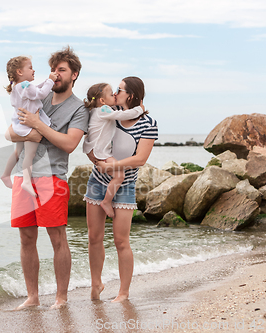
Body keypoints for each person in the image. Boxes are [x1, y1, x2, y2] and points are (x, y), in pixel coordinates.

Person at [5, 46, 89, 310]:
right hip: (24, 175)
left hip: (52, 177)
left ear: (74, 75)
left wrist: (37, 126)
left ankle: (61, 298)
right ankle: (32, 297)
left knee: (57, 238)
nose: (55, 74)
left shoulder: (79, 109)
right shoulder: (35, 97)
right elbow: (9, 132)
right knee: (26, 238)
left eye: (61, 70)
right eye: (53, 69)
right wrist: (31, 134)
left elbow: (69, 144)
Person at [84, 76, 157, 302]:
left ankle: (123, 293)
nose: (115, 92)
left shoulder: (148, 123)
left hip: (125, 185)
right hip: (97, 181)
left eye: (120, 89)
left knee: (121, 240)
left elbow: (140, 159)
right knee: (94, 237)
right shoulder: (108, 115)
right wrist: (99, 163)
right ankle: (96, 284)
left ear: (131, 95)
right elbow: (92, 143)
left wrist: (113, 166)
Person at [82, 83, 144, 219]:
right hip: (100, 152)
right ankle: (106, 201)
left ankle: (106, 199)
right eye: (111, 94)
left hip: (93, 149)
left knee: (116, 175)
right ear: (102, 101)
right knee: (120, 176)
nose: (114, 95)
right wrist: (139, 109)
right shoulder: (104, 110)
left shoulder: (94, 110)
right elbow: (122, 115)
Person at [1, 56, 58, 197]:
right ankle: (26, 181)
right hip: (28, 126)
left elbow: (37, 88)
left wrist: (47, 80)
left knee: (17, 153)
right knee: (29, 154)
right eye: (30, 67)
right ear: (20, 72)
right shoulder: (25, 86)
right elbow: (42, 93)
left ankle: (6, 174)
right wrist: (50, 80)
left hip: (20, 124)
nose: (33, 70)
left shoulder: (19, 87)